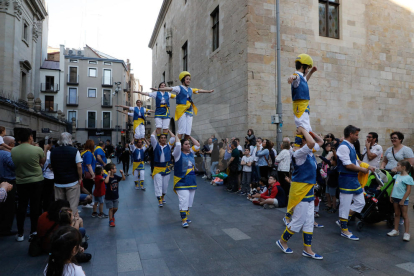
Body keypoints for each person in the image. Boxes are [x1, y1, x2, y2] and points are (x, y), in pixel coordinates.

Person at [276, 127, 324, 260]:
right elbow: (312, 143)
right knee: (298, 220)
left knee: (309, 221)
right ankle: (282, 241)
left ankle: (307, 249)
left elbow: (320, 142)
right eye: (308, 138)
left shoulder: (307, 152)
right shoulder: (298, 153)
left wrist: (308, 130)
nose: (311, 140)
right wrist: (303, 130)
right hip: (300, 191)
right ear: (303, 141)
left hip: (307, 190)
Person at [336, 125, 374, 241]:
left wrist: (367, 166)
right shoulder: (343, 147)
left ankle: (343, 220)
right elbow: (348, 165)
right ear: (351, 134)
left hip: (353, 179)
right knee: (345, 205)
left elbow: (356, 160)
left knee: (360, 202)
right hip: (346, 179)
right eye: (356, 134)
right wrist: (362, 170)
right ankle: (344, 229)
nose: (357, 136)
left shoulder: (350, 145)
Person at [151, 71, 214, 140]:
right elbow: (170, 88)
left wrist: (208, 91)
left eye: (189, 79)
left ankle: (184, 145)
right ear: (183, 79)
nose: (188, 81)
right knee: (181, 131)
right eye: (187, 79)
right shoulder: (179, 88)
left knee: (188, 132)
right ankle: (177, 146)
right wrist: (158, 89)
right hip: (181, 110)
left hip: (189, 110)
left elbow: (199, 90)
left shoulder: (190, 89)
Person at [11, 128, 46, 242]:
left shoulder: (13, 150)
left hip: (21, 181)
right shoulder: (37, 149)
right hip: (36, 180)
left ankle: (20, 233)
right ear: (30, 137)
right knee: (35, 206)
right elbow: (43, 162)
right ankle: (33, 231)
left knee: (22, 206)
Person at [287, 54, 317, 147]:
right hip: (300, 106)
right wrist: (292, 77)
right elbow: (295, 77)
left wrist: (311, 72)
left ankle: (302, 145)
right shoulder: (296, 76)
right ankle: (297, 146)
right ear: (303, 67)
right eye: (307, 68)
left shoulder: (301, 77)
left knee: (307, 128)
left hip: (304, 106)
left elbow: (304, 80)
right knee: (302, 127)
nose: (307, 70)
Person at [51, 133, 83, 215]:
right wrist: (80, 177)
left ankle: (60, 223)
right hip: (72, 181)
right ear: (70, 140)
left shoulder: (53, 151)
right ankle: (71, 223)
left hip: (58, 181)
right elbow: (79, 166)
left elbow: (51, 165)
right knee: (72, 205)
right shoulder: (74, 151)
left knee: (60, 206)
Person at [173, 135, 200, 228]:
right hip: (181, 180)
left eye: (189, 144)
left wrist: (190, 136)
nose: (189, 146)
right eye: (186, 144)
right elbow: (177, 145)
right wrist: (177, 136)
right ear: (181, 146)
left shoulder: (191, 153)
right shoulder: (178, 154)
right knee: (184, 200)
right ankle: (183, 219)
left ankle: (185, 216)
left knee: (189, 201)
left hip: (191, 180)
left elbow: (197, 145)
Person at [387, 160, 414, 241]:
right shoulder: (397, 176)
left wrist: (403, 200)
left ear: (403, 167)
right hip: (395, 197)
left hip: (402, 199)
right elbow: (394, 187)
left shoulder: (408, 178)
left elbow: (408, 190)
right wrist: (391, 195)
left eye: (398, 165)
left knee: (404, 215)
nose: (396, 167)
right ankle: (395, 230)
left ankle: (406, 233)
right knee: (397, 214)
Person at [150, 129, 175, 206]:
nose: (163, 139)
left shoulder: (169, 146)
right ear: (159, 139)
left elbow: (173, 137)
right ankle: (159, 200)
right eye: (162, 138)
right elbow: (152, 136)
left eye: (164, 138)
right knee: (158, 185)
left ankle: (163, 196)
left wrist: (169, 131)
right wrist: (156, 130)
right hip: (157, 168)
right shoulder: (155, 145)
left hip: (166, 168)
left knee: (165, 186)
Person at [0, 136, 17, 236]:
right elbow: (15, 166)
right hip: (9, 182)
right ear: (10, 144)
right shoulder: (7, 155)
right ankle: (6, 228)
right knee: (9, 207)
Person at [40, 138, 55, 213]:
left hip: (42, 176)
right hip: (49, 176)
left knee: (42, 196)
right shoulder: (49, 153)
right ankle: (47, 211)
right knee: (48, 196)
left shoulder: (40, 152)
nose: (51, 145)